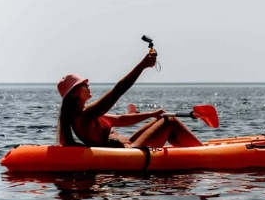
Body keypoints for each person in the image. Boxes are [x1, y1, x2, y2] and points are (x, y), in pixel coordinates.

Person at [56, 52, 203, 148]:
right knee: (170, 121)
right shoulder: (85, 115)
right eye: (83, 85)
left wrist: (152, 114)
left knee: (160, 119)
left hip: (129, 147)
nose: (88, 85)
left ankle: (190, 152)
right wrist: (142, 65)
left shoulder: (85, 115)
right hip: (129, 154)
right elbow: (118, 91)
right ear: (73, 94)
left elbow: (120, 120)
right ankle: (203, 154)